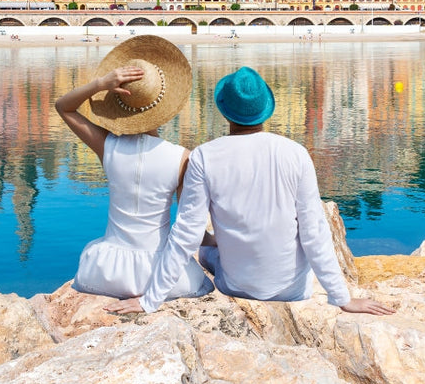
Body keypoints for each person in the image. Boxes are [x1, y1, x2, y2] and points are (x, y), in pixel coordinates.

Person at [108, 66, 393, 316]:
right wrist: (342, 299)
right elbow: (314, 231)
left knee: (205, 252)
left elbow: (186, 233)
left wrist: (150, 300)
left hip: (236, 285)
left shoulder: (205, 156)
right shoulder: (296, 153)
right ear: (266, 108)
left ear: (224, 110)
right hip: (293, 288)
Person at [55, 35, 213, 301]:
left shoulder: (107, 146)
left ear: (121, 105)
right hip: (161, 272)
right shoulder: (182, 158)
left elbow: (64, 107)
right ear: (165, 105)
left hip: (107, 271)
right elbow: (189, 227)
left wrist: (100, 84)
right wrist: (217, 240)